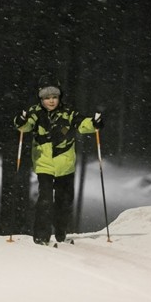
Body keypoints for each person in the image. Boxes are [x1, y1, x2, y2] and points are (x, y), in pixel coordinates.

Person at [13, 75, 104, 245]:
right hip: (44, 163)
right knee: (45, 199)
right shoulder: (35, 112)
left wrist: (94, 123)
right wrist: (21, 120)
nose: (51, 101)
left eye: (54, 97)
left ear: (59, 97)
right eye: (47, 98)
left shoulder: (68, 112)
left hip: (65, 164)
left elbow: (82, 123)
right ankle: (41, 236)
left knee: (64, 201)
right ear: (41, 98)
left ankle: (61, 233)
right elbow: (24, 126)